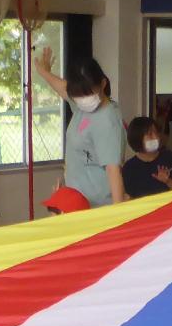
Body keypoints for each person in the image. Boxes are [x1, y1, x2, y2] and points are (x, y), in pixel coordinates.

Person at [35, 47, 126, 208]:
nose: (83, 99)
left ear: (103, 84)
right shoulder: (82, 107)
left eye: (87, 94)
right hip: (76, 202)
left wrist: (117, 214)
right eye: (78, 95)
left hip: (97, 206)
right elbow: (65, 88)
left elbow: (113, 170)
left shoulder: (107, 120)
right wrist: (44, 72)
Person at [120, 116, 172, 199]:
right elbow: (128, 198)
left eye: (156, 133)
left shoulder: (171, 157)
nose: (156, 137)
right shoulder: (129, 168)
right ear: (138, 138)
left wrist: (168, 181)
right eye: (150, 134)